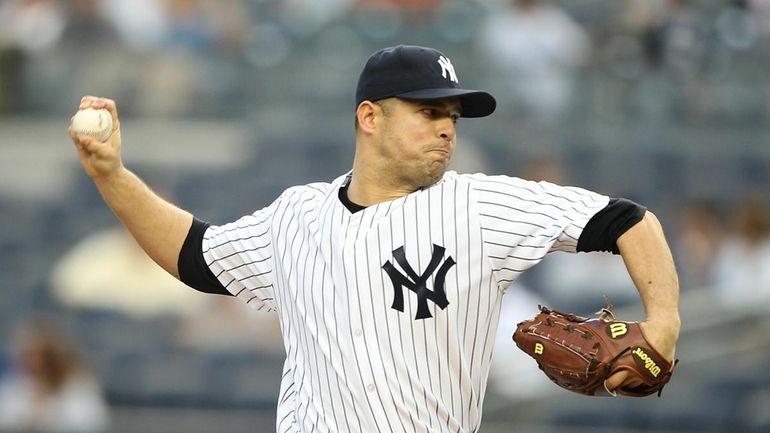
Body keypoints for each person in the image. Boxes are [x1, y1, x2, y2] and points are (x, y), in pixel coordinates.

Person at [68, 45, 680, 433]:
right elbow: (195, 256)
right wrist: (112, 175)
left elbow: (628, 220)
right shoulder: (297, 215)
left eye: (452, 118)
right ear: (370, 117)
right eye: (429, 112)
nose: (447, 129)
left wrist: (665, 324)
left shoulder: (480, 205)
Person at [0, 321, 110, 433]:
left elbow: (91, 421)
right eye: (28, 355)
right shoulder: (19, 383)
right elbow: (6, 418)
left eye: (38, 356)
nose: (31, 362)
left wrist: (49, 411)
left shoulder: (79, 385)